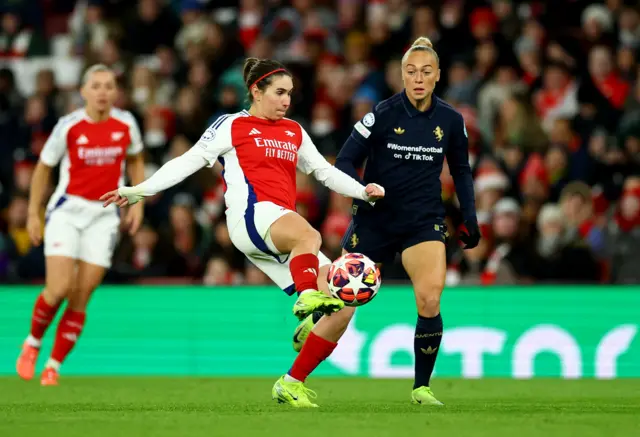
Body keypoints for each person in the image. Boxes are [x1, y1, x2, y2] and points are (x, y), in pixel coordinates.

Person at [100, 57, 385, 407]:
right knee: (308, 235)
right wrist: (138, 189)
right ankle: (308, 301)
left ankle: (292, 382)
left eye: (290, 94)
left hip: (276, 228)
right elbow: (187, 161)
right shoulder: (232, 124)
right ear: (256, 90)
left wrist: (362, 190)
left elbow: (324, 172)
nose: (286, 101)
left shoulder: (294, 130)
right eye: (279, 92)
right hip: (252, 216)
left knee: (344, 307)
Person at [292, 37, 481, 406]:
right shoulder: (380, 114)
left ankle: (421, 388)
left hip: (422, 223)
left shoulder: (451, 120)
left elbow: (461, 171)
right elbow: (344, 162)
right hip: (374, 222)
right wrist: (363, 190)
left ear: (438, 75)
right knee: (341, 308)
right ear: (402, 76)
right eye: (411, 72)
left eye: (426, 71)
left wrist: (471, 218)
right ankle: (295, 376)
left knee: (430, 299)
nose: (418, 78)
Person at [16, 64, 146, 386]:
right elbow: (44, 168)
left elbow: (136, 159)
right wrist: (34, 212)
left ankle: (53, 365)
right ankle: (32, 343)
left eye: (109, 86)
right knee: (59, 287)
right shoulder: (69, 126)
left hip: (104, 216)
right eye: (96, 86)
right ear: (83, 91)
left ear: (116, 92)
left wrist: (137, 200)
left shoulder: (126, 123)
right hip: (67, 212)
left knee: (82, 294)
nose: (103, 92)